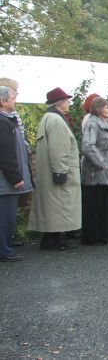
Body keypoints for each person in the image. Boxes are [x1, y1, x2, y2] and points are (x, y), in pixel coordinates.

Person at [28, 87, 81, 250]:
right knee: (60, 206)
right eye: (67, 100)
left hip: (50, 170)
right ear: (60, 103)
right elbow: (60, 150)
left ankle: (52, 238)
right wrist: (60, 171)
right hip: (60, 170)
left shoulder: (48, 118)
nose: (69, 103)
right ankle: (55, 240)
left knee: (53, 207)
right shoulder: (57, 121)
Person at [0, 86, 33, 262]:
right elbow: (6, 154)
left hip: (7, 181)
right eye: (12, 98)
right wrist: (16, 178)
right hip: (6, 182)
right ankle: (4, 251)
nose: (15, 100)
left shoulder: (7, 121)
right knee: (5, 217)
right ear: (3, 101)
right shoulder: (3, 122)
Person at [80, 97, 108, 245]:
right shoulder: (92, 123)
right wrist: (101, 163)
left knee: (103, 204)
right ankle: (91, 236)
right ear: (99, 108)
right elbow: (87, 146)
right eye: (106, 107)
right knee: (93, 204)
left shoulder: (105, 123)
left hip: (104, 171)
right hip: (95, 172)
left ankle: (101, 234)